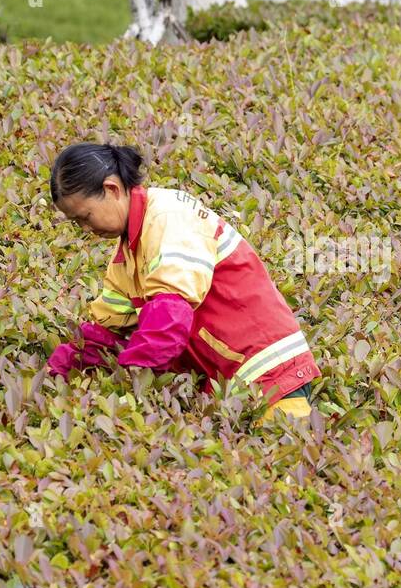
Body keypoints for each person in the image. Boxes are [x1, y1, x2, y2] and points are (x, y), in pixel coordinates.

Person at [45, 142, 320, 421]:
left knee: (277, 455)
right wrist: (58, 369)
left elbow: (168, 319)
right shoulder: (127, 254)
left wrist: (127, 387)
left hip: (271, 374)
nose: (86, 229)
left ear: (112, 189)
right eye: (76, 223)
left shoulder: (168, 217)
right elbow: (106, 331)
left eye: (85, 217)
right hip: (228, 390)